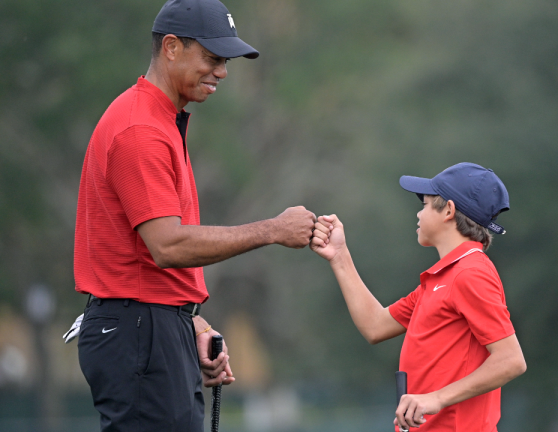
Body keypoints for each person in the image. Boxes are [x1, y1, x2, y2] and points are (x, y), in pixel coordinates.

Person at [72, 0, 316, 430]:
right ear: (171, 47)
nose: (221, 70)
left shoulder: (160, 119)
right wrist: (273, 230)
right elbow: (167, 246)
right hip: (137, 330)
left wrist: (190, 323)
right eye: (212, 57)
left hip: (149, 325)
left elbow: (145, 260)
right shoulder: (141, 130)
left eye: (224, 60)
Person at [311, 162, 527, 432]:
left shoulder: (470, 273)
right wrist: (339, 255)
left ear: (448, 210)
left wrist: (436, 398)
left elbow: (511, 360)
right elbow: (375, 325)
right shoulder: (442, 277)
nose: (418, 214)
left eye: (425, 205)